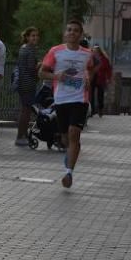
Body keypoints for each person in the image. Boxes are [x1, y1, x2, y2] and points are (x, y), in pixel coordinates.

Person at [39, 19, 96, 188]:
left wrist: (88, 79)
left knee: (74, 133)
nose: (72, 33)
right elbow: (41, 73)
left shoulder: (87, 53)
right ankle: (70, 154)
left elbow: (91, 68)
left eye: (76, 30)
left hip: (80, 99)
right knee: (65, 138)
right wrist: (57, 76)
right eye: (69, 30)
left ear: (81, 35)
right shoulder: (55, 52)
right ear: (65, 33)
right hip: (61, 99)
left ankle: (69, 173)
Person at [15, 26, 40, 146]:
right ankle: (20, 136)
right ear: (27, 37)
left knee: (25, 110)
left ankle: (22, 135)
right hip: (27, 83)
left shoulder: (23, 48)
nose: (35, 38)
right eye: (33, 36)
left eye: (36, 35)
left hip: (23, 82)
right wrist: (40, 66)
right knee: (26, 111)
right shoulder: (30, 49)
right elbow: (31, 69)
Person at [90, 46, 112, 117]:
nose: (95, 52)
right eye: (93, 51)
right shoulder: (91, 58)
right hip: (92, 78)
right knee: (91, 95)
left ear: (99, 52)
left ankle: (100, 109)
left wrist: (109, 78)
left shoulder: (104, 59)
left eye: (96, 51)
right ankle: (92, 110)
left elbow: (108, 69)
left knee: (100, 95)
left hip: (101, 79)